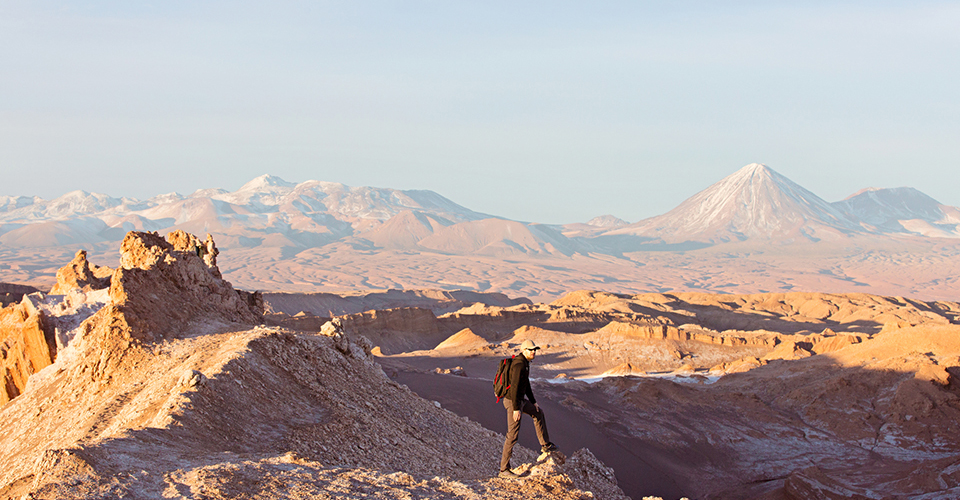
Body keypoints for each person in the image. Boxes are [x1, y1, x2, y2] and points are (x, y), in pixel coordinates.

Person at [499, 339, 558, 478]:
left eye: (535, 350)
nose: (533, 352)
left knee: (538, 413)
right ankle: (504, 470)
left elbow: (525, 384)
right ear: (524, 350)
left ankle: (545, 445)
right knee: (512, 435)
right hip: (512, 402)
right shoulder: (519, 365)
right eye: (531, 350)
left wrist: (533, 402)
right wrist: (516, 408)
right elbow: (514, 387)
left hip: (520, 401)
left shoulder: (525, 363)